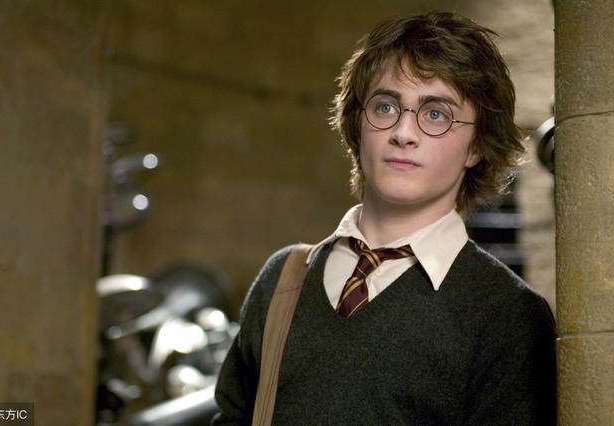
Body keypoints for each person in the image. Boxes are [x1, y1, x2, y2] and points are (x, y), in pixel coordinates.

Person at [213, 11, 556, 425]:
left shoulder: (509, 317)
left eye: (436, 114)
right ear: (358, 125)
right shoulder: (283, 279)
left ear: (476, 147)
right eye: (386, 106)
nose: (403, 133)